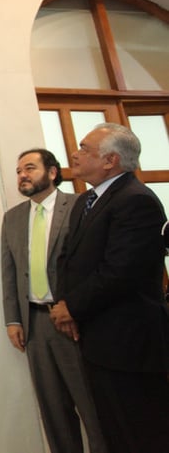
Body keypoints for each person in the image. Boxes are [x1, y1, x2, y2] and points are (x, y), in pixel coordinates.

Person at [50, 123, 169, 453]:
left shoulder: (136, 201)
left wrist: (72, 307)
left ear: (110, 161)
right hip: (97, 336)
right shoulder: (87, 199)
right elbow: (67, 260)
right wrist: (65, 305)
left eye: (85, 148)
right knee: (113, 430)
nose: (75, 153)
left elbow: (121, 271)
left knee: (141, 431)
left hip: (129, 341)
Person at [0, 149, 106, 453]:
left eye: (30, 168)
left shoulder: (79, 206)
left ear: (52, 172)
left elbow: (91, 265)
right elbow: (9, 273)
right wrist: (13, 320)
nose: (22, 175)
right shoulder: (13, 218)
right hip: (34, 325)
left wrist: (75, 307)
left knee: (92, 407)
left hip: (73, 322)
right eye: (19, 170)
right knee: (53, 412)